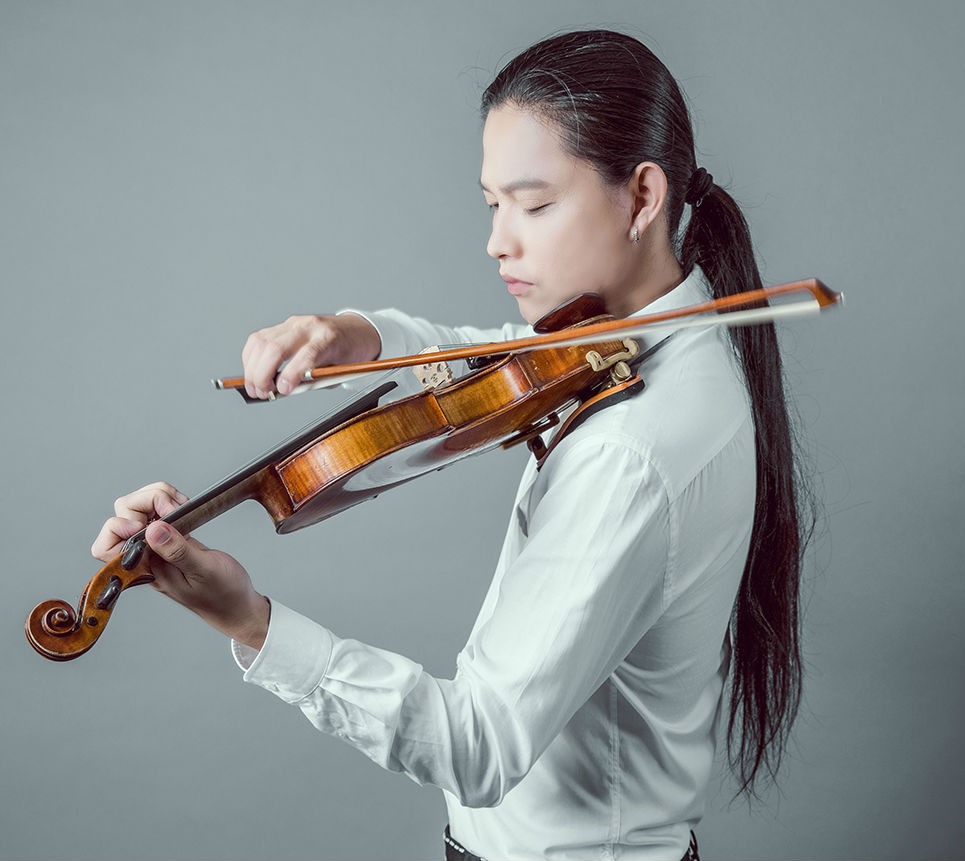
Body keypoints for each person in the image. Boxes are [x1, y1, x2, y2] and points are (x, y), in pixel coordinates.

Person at [93, 30, 812, 861]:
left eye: (534, 204)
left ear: (642, 195)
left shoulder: (637, 446)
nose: (498, 242)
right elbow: (488, 353)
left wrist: (251, 623)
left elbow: (476, 743)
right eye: (491, 204)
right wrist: (351, 334)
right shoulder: (629, 341)